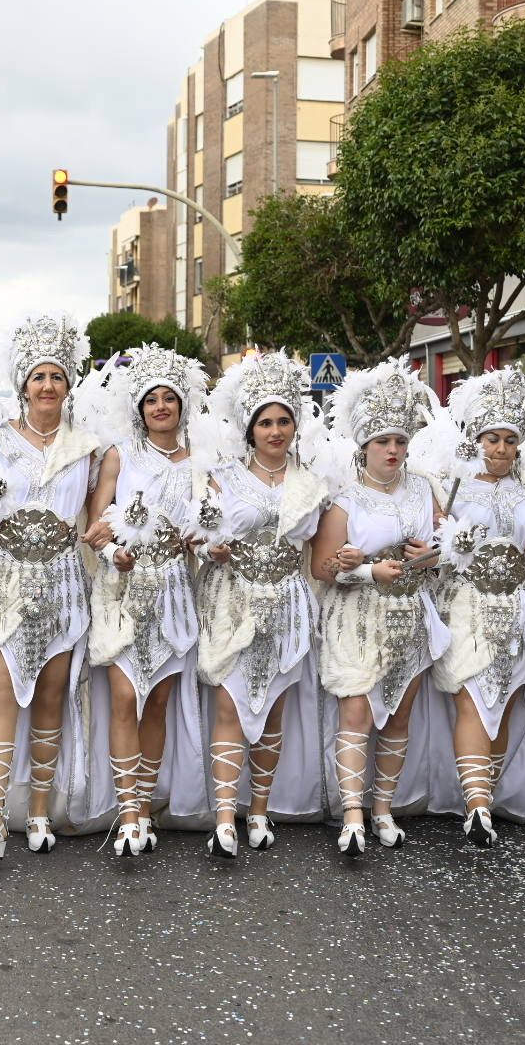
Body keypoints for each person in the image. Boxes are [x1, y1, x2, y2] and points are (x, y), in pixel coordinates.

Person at [0, 314, 100, 859]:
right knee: (0, 688)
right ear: (23, 385)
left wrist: (105, 535)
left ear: (67, 387)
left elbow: (96, 516)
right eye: (38, 377)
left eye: (56, 378)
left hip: (62, 580)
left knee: (49, 694)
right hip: (6, 577)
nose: (46, 387)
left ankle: (38, 812)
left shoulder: (87, 448)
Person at [416, 366, 525, 847]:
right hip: (464, 604)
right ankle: (476, 805)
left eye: (508, 441)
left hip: (517, 608)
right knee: (472, 699)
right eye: (491, 439)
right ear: (476, 439)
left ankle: (485, 793)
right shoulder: (449, 484)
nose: (499, 449)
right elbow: (433, 541)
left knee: (505, 700)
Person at [314, 357, 451, 856]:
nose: (393, 450)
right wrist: (365, 569)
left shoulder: (426, 488)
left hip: (410, 613)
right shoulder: (345, 499)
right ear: (364, 447)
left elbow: (446, 545)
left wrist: (433, 555)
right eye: (382, 442)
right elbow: (322, 567)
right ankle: (352, 813)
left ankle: (382, 808)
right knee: (357, 710)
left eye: (399, 441)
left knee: (398, 713)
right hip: (356, 617)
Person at [194, 350, 329, 857]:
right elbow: (200, 534)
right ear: (250, 429)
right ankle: (225, 816)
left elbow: (319, 557)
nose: (275, 431)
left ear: (295, 425)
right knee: (230, 703)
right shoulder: (221, 477)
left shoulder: (313, 484)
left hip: (289, 602)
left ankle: (259, 811)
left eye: (283, 421)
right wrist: (211, 547)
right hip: (232, 599)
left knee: (274, 705)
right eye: (265, 422)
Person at [80, 343, 210, 856]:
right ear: (139, 408)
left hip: (176, 589)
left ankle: (148, 806)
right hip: (124, 589)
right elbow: (95, 526)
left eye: (168, 399)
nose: (160, 407)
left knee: (157, 698)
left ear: (181, 406)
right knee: (125, 697)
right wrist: (115, 554)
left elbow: (210, 522)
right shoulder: (120, 456)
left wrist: (201, 540)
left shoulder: (202, 460)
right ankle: (127, 811)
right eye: (151, 399)